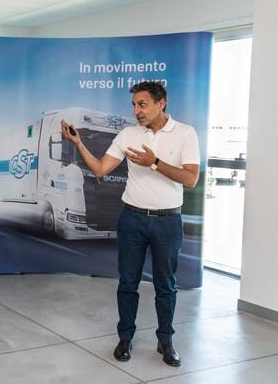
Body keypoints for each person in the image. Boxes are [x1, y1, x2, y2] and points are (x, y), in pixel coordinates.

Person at [60, 81, 200, 367]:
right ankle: (125, 338)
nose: (137, 111)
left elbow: (191, 178)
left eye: (143, 104)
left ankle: (166, 341)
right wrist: (78, 143)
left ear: (161, 103)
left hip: (168, 221)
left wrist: (154, 162)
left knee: (166, 285)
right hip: (132, 219)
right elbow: (100, 169)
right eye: (134, 105)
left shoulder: (185, 133)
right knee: (127, 282)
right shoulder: (127, 134)